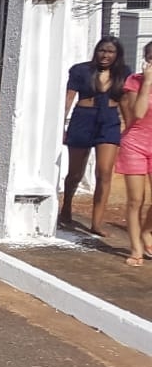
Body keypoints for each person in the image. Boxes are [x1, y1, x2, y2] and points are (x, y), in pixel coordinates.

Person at [61, 37, 129, 233]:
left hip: (109, 122)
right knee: (75, 172)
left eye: (110, 52)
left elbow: (126, 102)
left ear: (117, 55)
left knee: (104, 172)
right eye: (102, 50)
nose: (105, 55)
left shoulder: (123, 73)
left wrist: (130, 129)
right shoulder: (81, 70)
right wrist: (61, 125)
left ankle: (96, 222)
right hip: (83, 119)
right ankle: (66, 206)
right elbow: (69, 98)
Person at [117, 42, 152, 265]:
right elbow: (137, 113)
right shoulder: (134, 81)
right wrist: (147, 83)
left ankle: (146, 231)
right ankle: (135, 248)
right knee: (136, 199)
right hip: (135, 144)